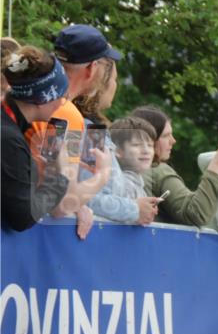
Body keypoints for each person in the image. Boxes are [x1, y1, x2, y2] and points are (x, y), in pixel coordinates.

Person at [1, 45, 94, 231]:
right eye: (60, 96)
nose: (64, 103)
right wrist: (60, 176)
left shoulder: (11, 126)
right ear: (41, 99)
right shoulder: (8, 137)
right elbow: (23, 217)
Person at [72, 49, 160, 226]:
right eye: (114, 79)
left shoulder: (90, 127)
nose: (115, 85)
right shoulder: (92, 133)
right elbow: (87, 198)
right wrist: (134, 210)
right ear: (100, 82)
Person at [132, 105, 218, 226]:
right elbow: (197, 214)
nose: (173, 140)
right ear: (149, 139)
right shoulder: (158, 171)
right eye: (166, 135)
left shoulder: (118, 169)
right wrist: (216, 165)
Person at [107, 117, 156, 200]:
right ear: (117, 150)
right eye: (136, 145)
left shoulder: (136, 182)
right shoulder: (124, 186)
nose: (146, 151)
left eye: (150, 145)